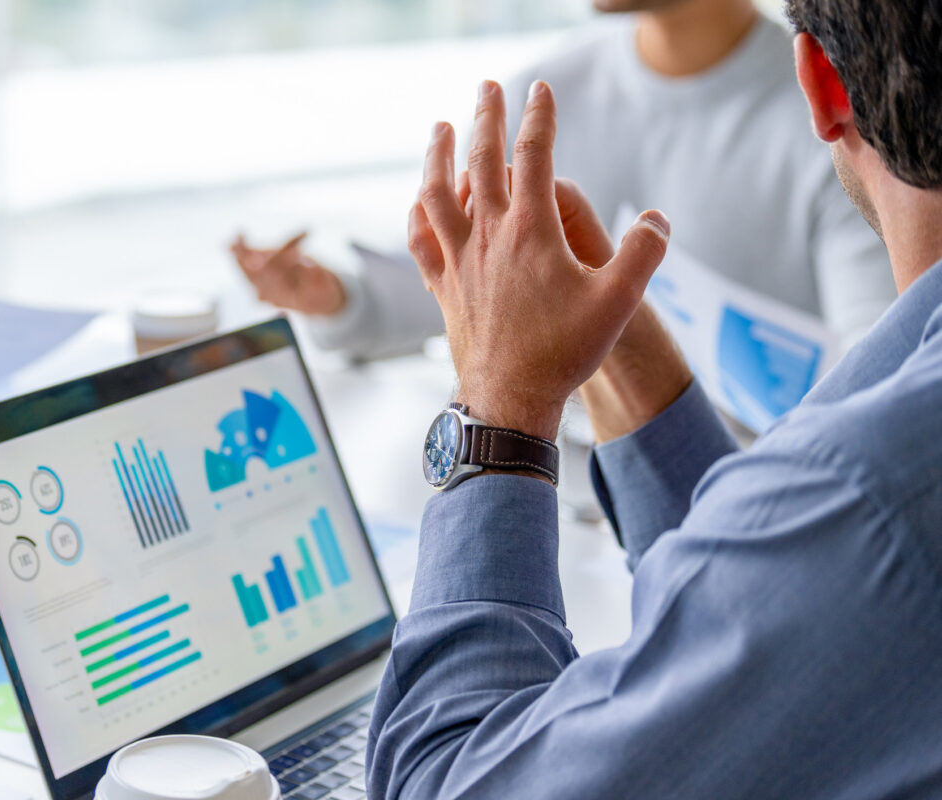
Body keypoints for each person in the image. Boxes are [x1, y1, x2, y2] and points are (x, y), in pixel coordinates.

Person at [365, 0, 942, 795]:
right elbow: (778, 590)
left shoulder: (873, 495)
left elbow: (446, 780)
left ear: (819, 83)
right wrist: (618, 352)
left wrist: (498, 410)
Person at [232, 0, 894, 365]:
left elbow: (879, 371)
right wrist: (339, 298)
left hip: (755, 497)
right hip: (574, 485)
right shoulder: (546, 95)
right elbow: (463, 292)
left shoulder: (829, 115)